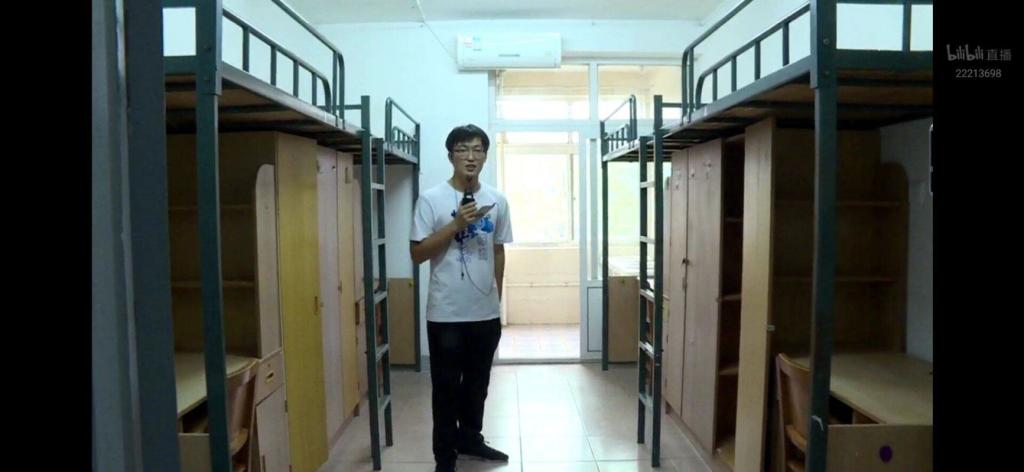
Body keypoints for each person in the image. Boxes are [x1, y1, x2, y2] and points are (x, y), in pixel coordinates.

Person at [410, 124, 513, 472]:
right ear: (450, 155)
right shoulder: (431, 199)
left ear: (485, 156)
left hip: (485, 313)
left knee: (478, 385)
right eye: (462, 149)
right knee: (445, 388)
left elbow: (498, 250)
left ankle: (470, 439)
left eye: (477, 149)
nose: (471, 156)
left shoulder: (497, 200)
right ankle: (445, 456)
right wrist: (455, 226)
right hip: (446, 315)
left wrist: (496, 298)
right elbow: (417, 254)